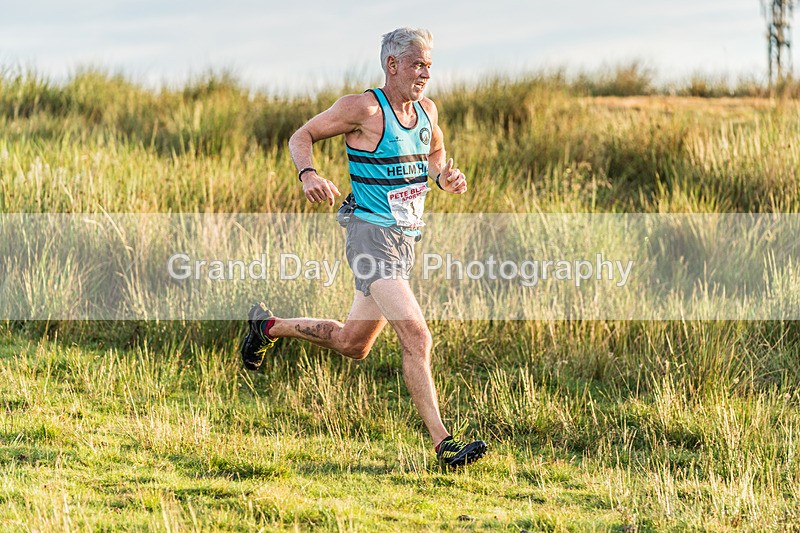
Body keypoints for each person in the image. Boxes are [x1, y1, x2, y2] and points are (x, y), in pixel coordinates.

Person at [240, 27, 487, 467]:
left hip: (404, 241)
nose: (426, 72)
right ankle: (444, 443)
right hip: (370, 237)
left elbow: (436, 152)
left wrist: (443, 177)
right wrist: (309, 175)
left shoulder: (427, 111)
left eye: (429, 64)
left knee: (353, 344)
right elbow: (302, 135)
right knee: (416, 334)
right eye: (417, 63)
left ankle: (266, 327)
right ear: (392, 65)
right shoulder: (364, 108)